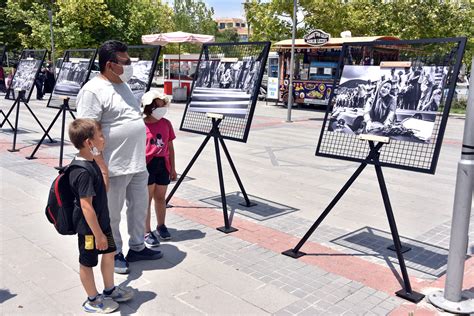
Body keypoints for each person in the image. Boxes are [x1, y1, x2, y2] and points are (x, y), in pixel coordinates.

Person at [76, 40, 163, 275]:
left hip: (136, 163)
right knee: (112, 214)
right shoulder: (93, 90)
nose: (130, 65)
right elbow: (87, 133)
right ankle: (114, 254)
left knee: (139, 208)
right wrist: (101, 167)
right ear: (110, 65)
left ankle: (137, 246)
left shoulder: (122, 85)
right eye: (126, 62)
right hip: (112, 167)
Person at [68, 118, 134, 313]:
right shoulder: (82, 171)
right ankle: (93, 299)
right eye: (100, 136)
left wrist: (102, 165)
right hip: (89, 230)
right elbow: (86, 206)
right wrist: (98, 235)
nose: (104, 139)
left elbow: (103, 190)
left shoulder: (92, 162)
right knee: (87, 261)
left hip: (102, 224)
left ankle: (109, 289)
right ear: (89, 143)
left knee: (109, 254)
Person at [141, 90, 177, 247]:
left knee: (161, 197)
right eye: (159, 106)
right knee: (146, 200)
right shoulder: (140, 125)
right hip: (147, 165)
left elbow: (170, 146)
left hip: (163, 164)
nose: (162, 109)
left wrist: (173, 168)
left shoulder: (166, 124)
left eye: (164, 106)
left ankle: (161, 225)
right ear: (150, 107)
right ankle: (146, 231)